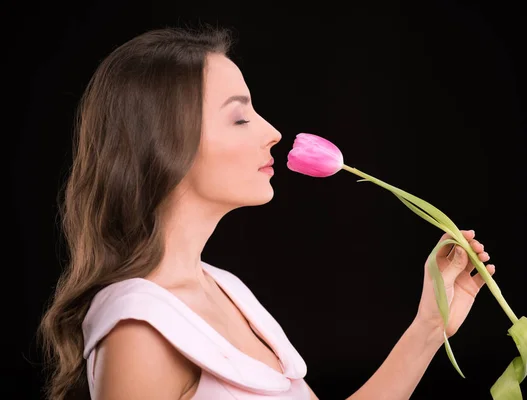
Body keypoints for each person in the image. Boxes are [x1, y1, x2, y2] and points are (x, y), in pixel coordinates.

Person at [38, 26, 495, 400]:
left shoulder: (226, 290)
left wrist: (429, 328)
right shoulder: (140, 330)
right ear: (165, 146)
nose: (274, 132)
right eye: (239, 118)